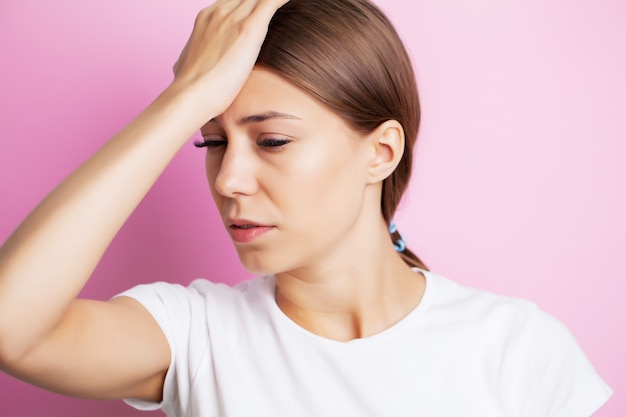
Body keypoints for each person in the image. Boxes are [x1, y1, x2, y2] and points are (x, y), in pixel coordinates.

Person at [0, 0, 613, 416]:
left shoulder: (515, 348)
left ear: (380, 152)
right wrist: (186, 98)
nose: (229, 180)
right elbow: (11, 328)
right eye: (212, 142)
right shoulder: (196, 337)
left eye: (272, 141)